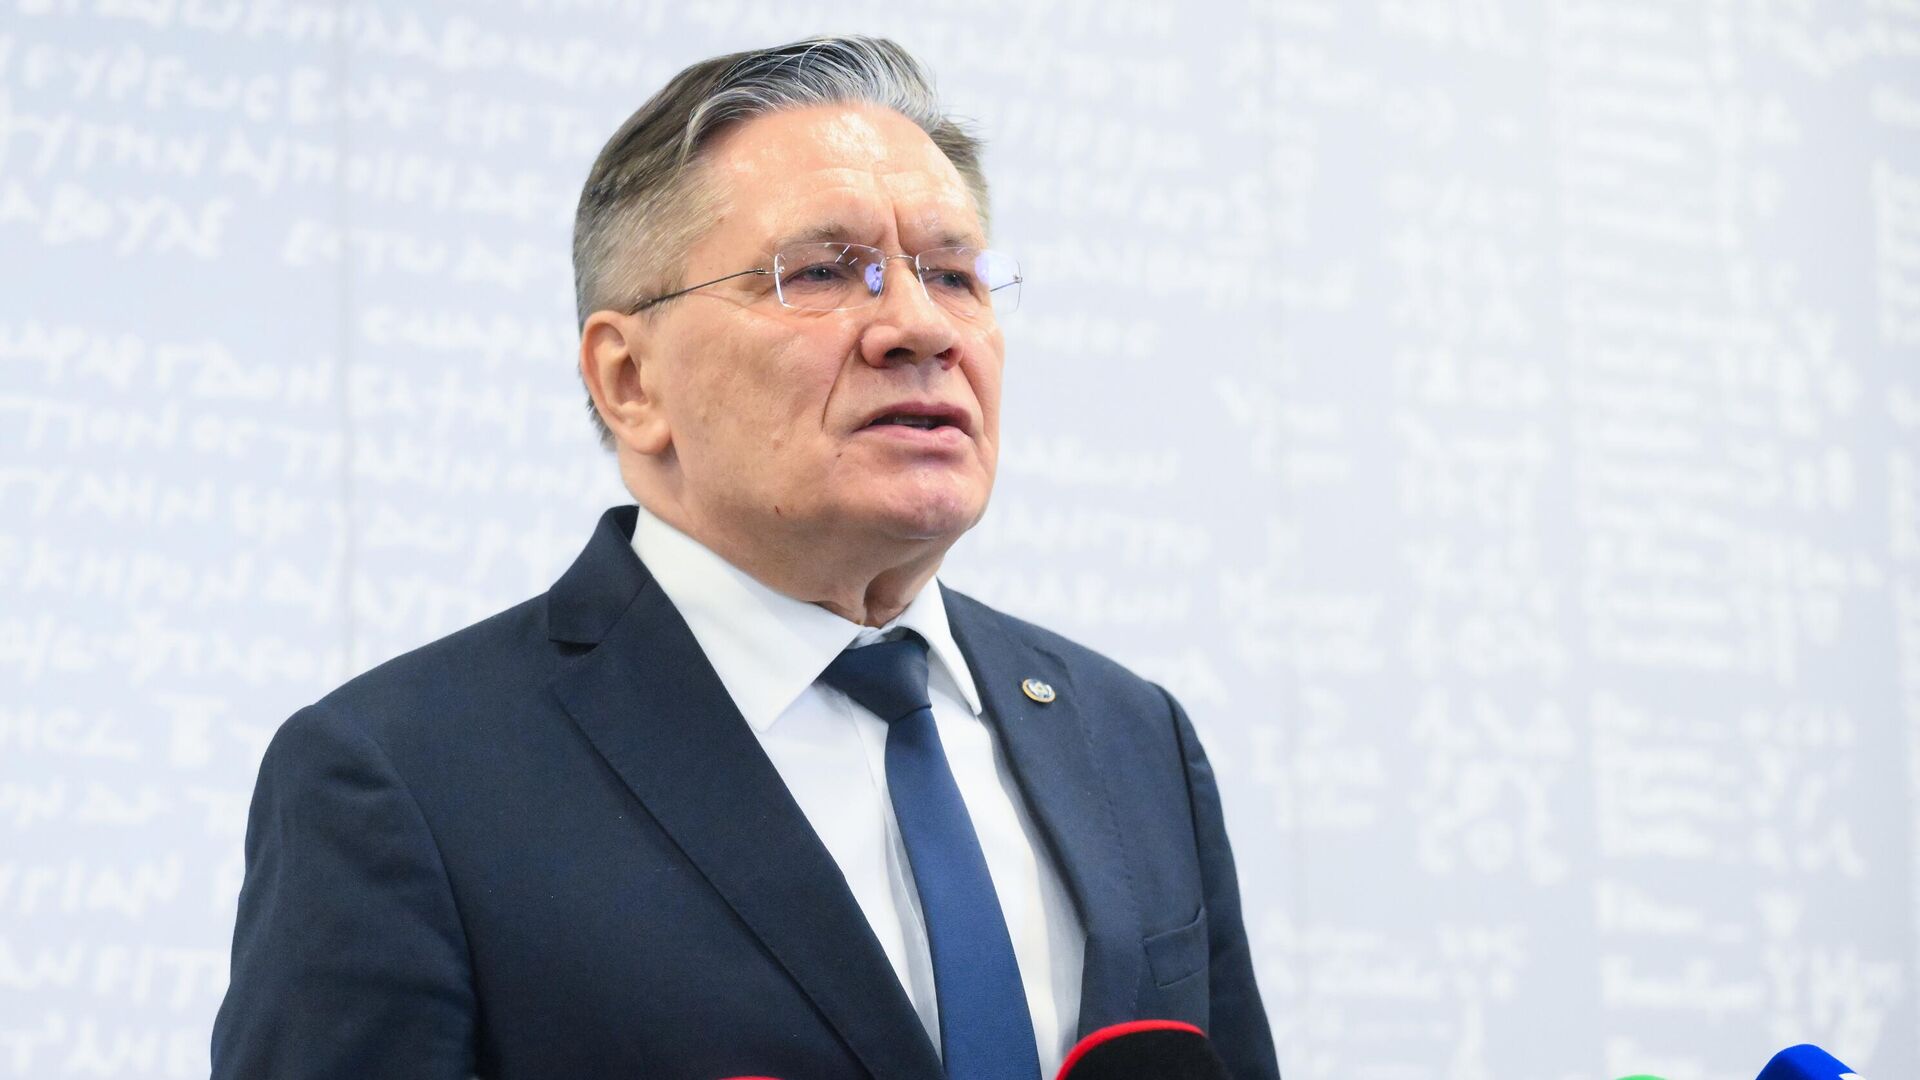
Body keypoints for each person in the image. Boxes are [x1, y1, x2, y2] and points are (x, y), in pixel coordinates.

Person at [211, 35, 1280, 1080]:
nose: (921, 327)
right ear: (630, 380)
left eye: (955, 275)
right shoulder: (407, 781)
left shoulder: (1129, 737)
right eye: (821, 272)